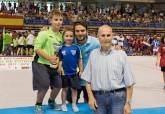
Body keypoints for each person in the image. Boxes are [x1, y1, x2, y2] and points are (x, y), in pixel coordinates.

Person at [81, 25, 136, 114]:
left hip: (118, 99)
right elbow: (87, 80)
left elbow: (129, 82)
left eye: (108, 35)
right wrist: (90, 97)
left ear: (112, 36)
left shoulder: (121, 55)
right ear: (98, 37)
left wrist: (128, 103)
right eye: (103, 35)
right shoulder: (93, 55)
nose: (106, 38)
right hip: (98, 99)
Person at [33, 9, 64, 114]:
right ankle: (38, 104)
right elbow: (37, 49)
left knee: (59, 84)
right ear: (50, 20)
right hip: (40, 63)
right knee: (44, 84)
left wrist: (59, 64)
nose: (58, 22)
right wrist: (49, 58)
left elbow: (59, 52)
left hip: (54, 65)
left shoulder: (61, 36)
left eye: (60, 20)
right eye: (56, 19)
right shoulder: (44, 34)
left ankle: (51, 101)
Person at [67, 21, 100, 103]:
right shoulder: (69, 42)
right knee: (71, 101)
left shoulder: (96, 43)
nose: (80, 33)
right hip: (74, 78)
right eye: (77, 31)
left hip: (90, 79)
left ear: (87, 31)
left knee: (90, 103)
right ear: (74, 32)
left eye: (82, 30)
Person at [58, 29, 83, 112]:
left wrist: (81, 70)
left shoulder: (76, 48)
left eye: (71, 36)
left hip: (74, 73)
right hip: (64, 73)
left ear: (74, 37)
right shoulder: (61, 48)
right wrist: (59, 67)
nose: (69, 38)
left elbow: (79, 60)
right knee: (64, 89)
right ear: (63, 37)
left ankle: (74, 104)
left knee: (74, 89)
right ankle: (63, 104)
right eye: (67, 36)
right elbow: (60, 60)